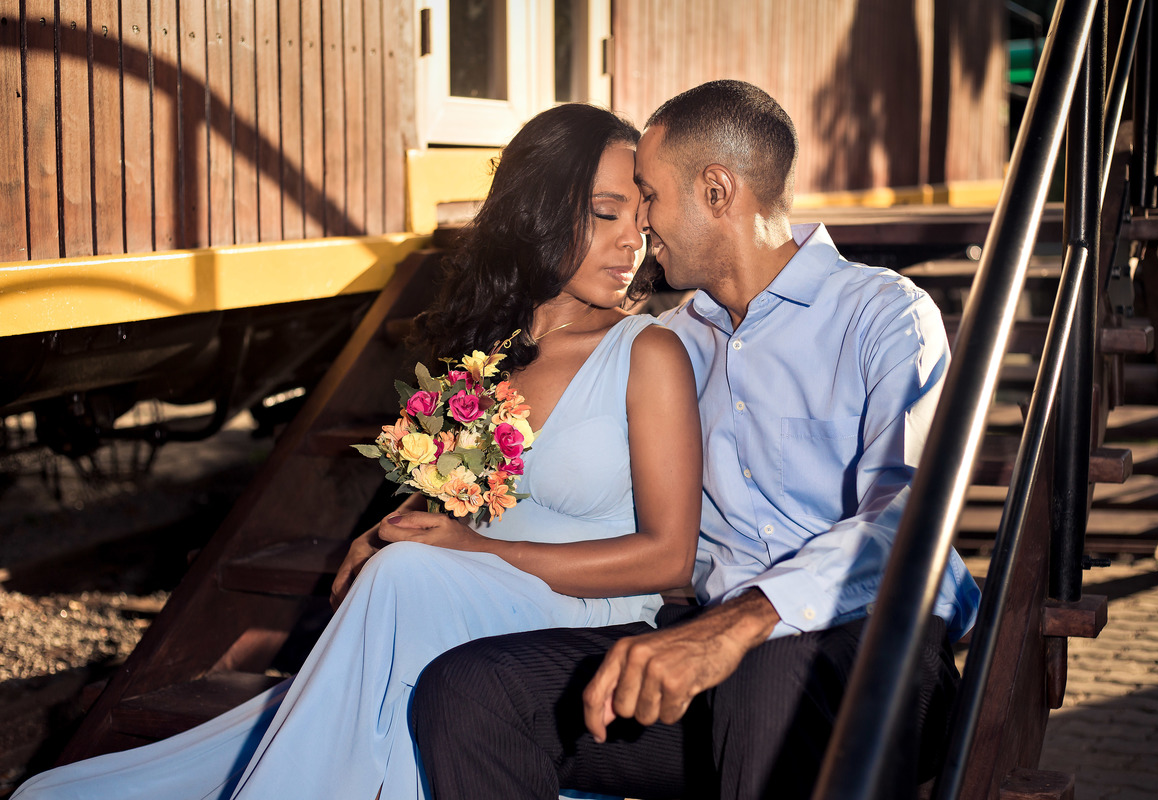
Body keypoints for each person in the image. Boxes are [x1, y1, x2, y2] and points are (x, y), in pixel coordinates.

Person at [11, 103, 702, 800]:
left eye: (640, 222)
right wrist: (383, 528)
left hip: (577, 619)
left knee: (404, 581)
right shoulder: (494, 357)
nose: (630, 245)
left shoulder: (647, 353)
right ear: (539, 211)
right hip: (463, 595)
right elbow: (467, 492)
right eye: (605, 213)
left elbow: (668, 558)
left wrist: (476, 554)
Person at [411, 80, 983, 800]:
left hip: (882, 660)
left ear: (717, 190)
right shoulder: (669, 345)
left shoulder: (884, 316)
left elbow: (909, 518)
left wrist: (740, 626)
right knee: (469, 693)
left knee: (767, 673)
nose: (640, 223)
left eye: (647, 194)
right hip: (715, 660)